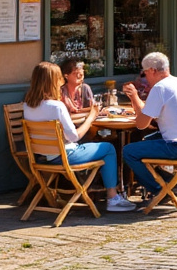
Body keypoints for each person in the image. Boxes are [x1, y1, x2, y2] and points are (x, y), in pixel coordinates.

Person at [22, 62, 136, 212]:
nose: (61, 82)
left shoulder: (27, 106)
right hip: (65, 156)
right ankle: (112, 197)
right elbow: (74, 137)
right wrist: (92, 116)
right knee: (108, 148)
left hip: (43, 157)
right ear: (52, 82)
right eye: (59, 79)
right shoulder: (57, 106)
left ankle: (101, 191)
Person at [120, 52, 177, 206]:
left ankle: (160, 189)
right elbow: (151, 116)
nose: (144, 77)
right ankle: (170, 182)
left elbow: (141, 124)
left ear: (152, 71)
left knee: (129, 151)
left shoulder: (160, 88)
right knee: (147, 140)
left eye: (144, 73)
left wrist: (134, 97)